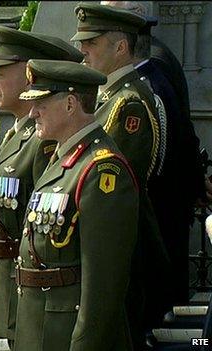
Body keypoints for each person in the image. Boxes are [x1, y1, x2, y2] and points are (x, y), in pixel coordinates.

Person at [14, 59, 138, 350]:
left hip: (66, 330)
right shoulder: (63, 159)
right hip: (41, 321)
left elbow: (104, 282)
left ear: (70, 104)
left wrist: (85, 343)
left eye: (40, 104)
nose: (32, 113)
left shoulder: (101, 169)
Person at [71, 3, 172, 348]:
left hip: (124, 254)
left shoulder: (127, 103)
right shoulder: (111, 96)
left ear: (121, 47)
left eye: (93, 42)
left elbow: (112, 189)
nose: (83, 50)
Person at [0, 25, 84, 346]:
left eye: (0, 71)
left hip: (38, 290)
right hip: (14, 283)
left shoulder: (44, 143)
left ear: (30, 75)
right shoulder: (18, 134)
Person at [103, 0, 206, 310]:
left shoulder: (150, 74)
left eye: (95, 39)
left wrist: (193, 183)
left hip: (160, 212)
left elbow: (152, 160)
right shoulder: (154, 64)